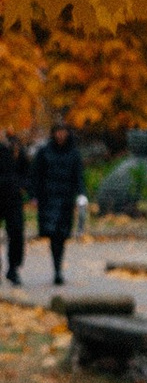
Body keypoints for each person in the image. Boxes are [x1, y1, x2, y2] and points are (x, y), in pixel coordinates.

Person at [31, 123, 81, 288]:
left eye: (63, 132)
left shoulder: (73, 153)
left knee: (62, 234)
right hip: (49, 198)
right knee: (53, 234)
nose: (60, 135)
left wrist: (81, 195)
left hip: (66, 198)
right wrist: (34, 196)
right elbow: (36, 174)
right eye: (58, 132)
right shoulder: (44, 152)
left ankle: (58, 267)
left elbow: (78, 176)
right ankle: (57, 269)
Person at [0, 129, 25, 288]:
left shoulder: (14, 147)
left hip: (13, 196)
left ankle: (13, 268)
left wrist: (23, 186)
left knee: (16, 233)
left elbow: (25, 170)